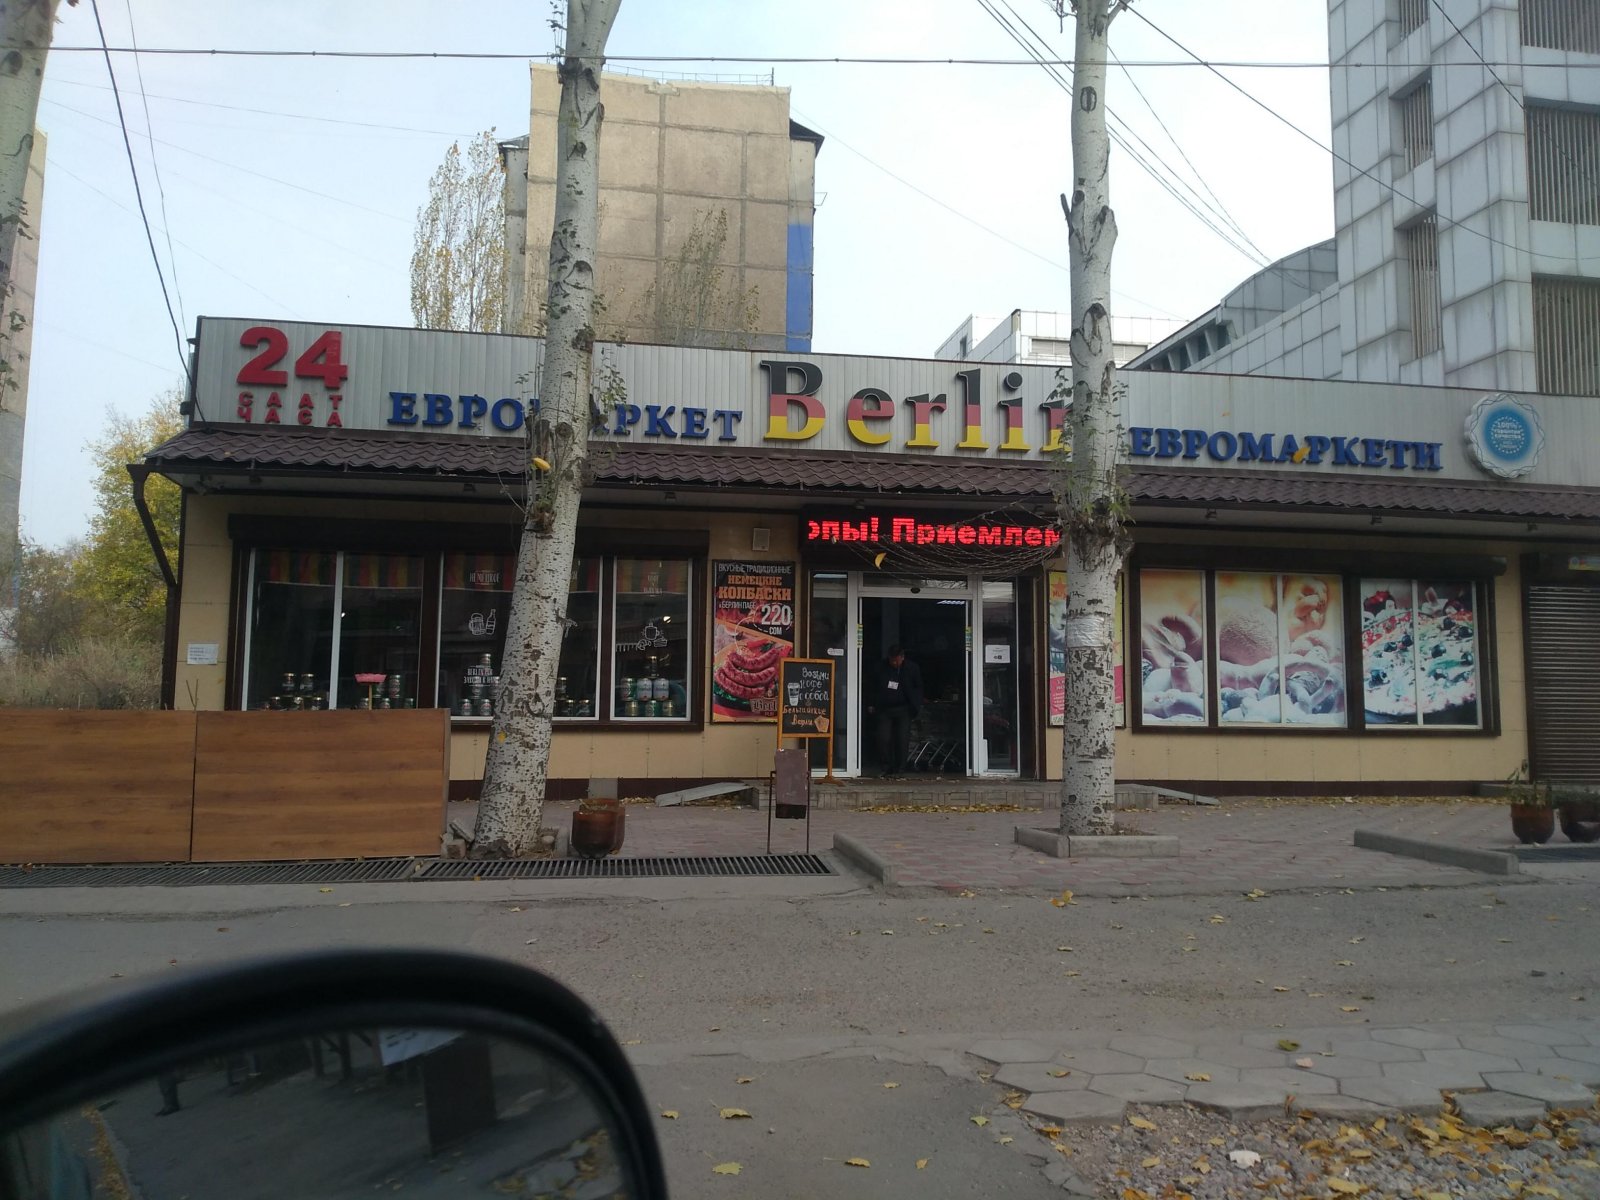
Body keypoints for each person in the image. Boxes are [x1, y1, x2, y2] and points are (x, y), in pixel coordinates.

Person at [867, 644, 923, 778]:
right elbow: (872, 686)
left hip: (904, 708)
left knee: (902, 739)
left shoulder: (911, 668)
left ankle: (900, 769)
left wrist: (915, 705)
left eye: (897, 660)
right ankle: (886, 767)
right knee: (883, 738)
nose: (895, 663)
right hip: (884, 708)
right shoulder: (880, 668)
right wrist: (871, 703)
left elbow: (918, 687)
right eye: (892, 660)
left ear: (902, 658)